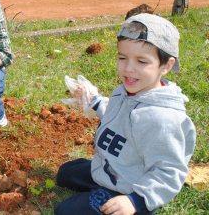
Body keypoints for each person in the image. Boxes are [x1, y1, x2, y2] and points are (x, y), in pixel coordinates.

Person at [55, 14, 196, 215]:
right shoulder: (125, 92)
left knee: (65, 211)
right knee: (65, 173)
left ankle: (120, 199)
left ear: (166, 65)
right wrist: (94, 100)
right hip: (114, 167)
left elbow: (169, 172)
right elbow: (117, 113)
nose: (129, 69)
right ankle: (102, 182)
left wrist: (136, 201)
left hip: (133, 185)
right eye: (122, 58)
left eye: (141, 61)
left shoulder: (163, 120)